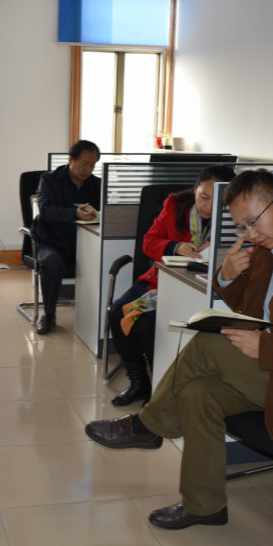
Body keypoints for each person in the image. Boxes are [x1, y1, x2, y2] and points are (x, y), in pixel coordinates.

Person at [84, 169, 273, 530]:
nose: (250, 234)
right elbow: (254, 312)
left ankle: (149, 424)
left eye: (252, 222)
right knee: (197, 394)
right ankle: (204, 506)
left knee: (208, 343)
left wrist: (268, 346)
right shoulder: (271, 246)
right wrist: (227, 276)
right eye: (242, 228)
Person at [108, 164, 236, 407]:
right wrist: (174, 247)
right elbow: (149, 242)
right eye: (204, 197)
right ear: (195, 190)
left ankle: (162, 387)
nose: (209, 206)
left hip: (199, 288)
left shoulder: (236, 217)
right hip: (161, 281)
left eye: (218, 200)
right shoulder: (176, 205)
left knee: (146, 324)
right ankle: (139, 383)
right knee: (117, 312)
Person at [32, 139, 101, 335]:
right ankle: (49, 315)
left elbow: (106, 210)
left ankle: (99, 314)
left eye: (92, 165)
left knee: (109, 260)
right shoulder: (50, 180)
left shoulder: (96, 184)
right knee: (51, 263)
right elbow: (46, 211)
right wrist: (74, 213)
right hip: (52, 240)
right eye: (84, 164)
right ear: (71, 160)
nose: (88, 169)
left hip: (85, 243)